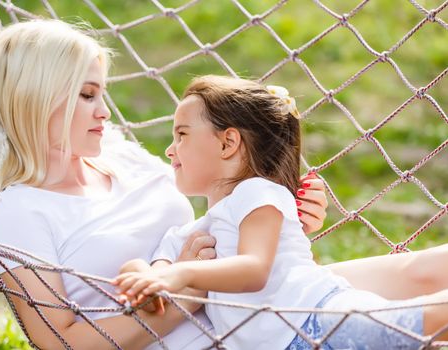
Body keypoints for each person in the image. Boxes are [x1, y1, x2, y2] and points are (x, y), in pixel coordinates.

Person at [0, 18, 439, 349]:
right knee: (410, 328)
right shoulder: (23, 210)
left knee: (422, 271)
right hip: (223, 328)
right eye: (86, 95)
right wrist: (186, 294)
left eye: (101, 93)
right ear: (38, 98)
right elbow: (61, 343)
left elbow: (219, 217)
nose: (105, 113)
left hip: (253, 302)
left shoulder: (124, 163)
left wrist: (281, 218)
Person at [113, 76, 448, 349]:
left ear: (228, 143)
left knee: (430, 320)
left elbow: (254, 269)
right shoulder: (190, 234)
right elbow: (158, 269)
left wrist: (182, 275)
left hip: (317, 318)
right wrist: (141, 274)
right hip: (291, 341)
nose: (171, 149)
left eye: (182, 134)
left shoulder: (258, 193)